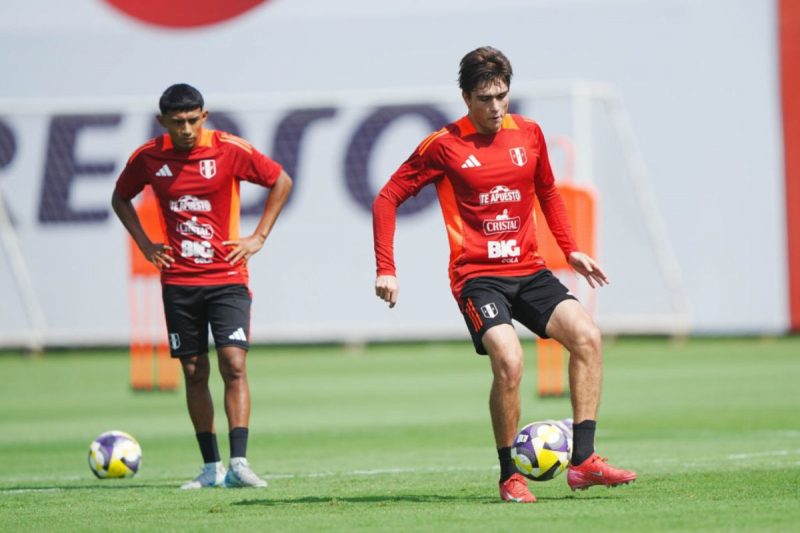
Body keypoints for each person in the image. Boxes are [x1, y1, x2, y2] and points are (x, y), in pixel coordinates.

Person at [372, 47, 636, 502]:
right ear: (465, 97)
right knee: (510, 362)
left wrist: (571, 249)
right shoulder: (444, 145)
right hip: (478, 277)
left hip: (529, 272)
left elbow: (548, 191)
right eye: (484, 98)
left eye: (502, 96)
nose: (495, 107)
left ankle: (584, 462)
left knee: (588, 338)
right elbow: (387, 197)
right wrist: (386, 268)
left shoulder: (529, 134)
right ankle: (509, 476)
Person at [112, 83, 292, 489]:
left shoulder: (230, 149)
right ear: (163, 122)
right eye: (178, 122)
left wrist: (257, 238)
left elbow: (281, 181)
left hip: (227, 277)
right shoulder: (148, 157)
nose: (188, 129)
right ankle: (211, 468)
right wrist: (145, 244)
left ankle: (240, 463)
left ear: (204, 117)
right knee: (194, 371)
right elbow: (120, 198)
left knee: (234, 363)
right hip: (179, 281)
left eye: (194, 120)